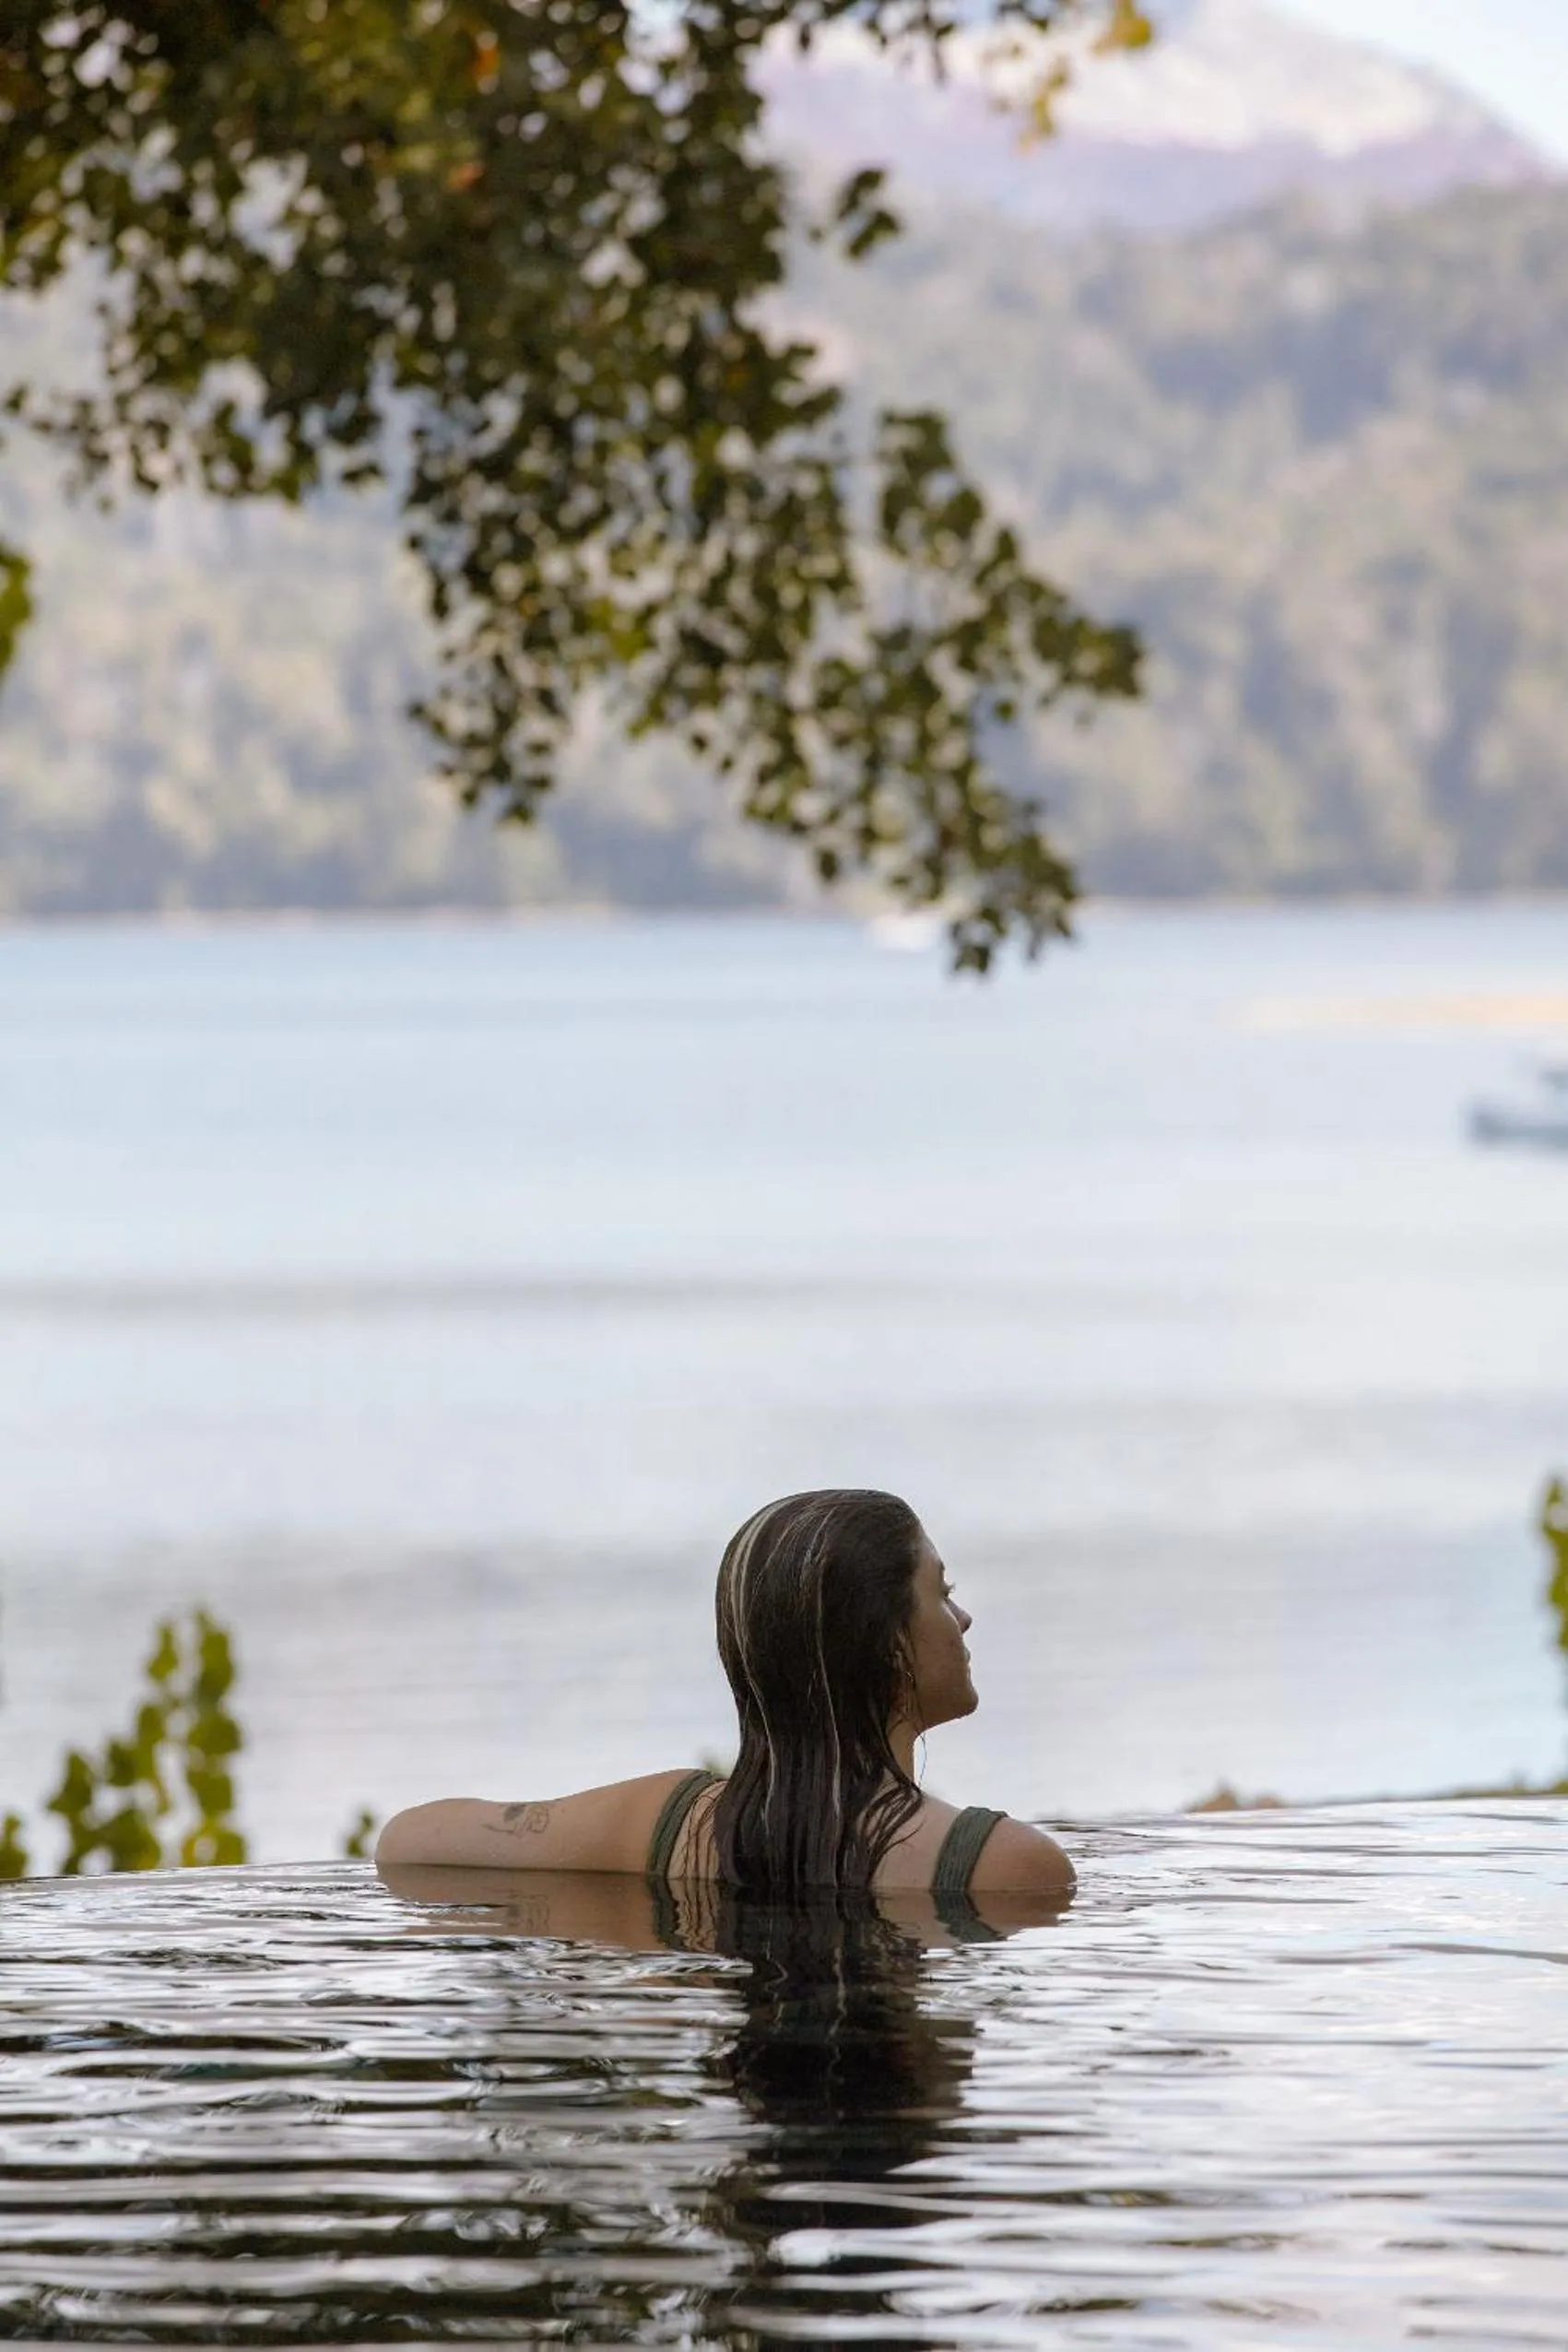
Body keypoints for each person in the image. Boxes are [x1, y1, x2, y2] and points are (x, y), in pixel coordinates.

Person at [375, 1487, 1075, 1903]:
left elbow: (405, 1844)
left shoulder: (661, 1823)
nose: (962, 1618)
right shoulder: (1002, 1863)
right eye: (942, 1594)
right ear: (888, 1642)